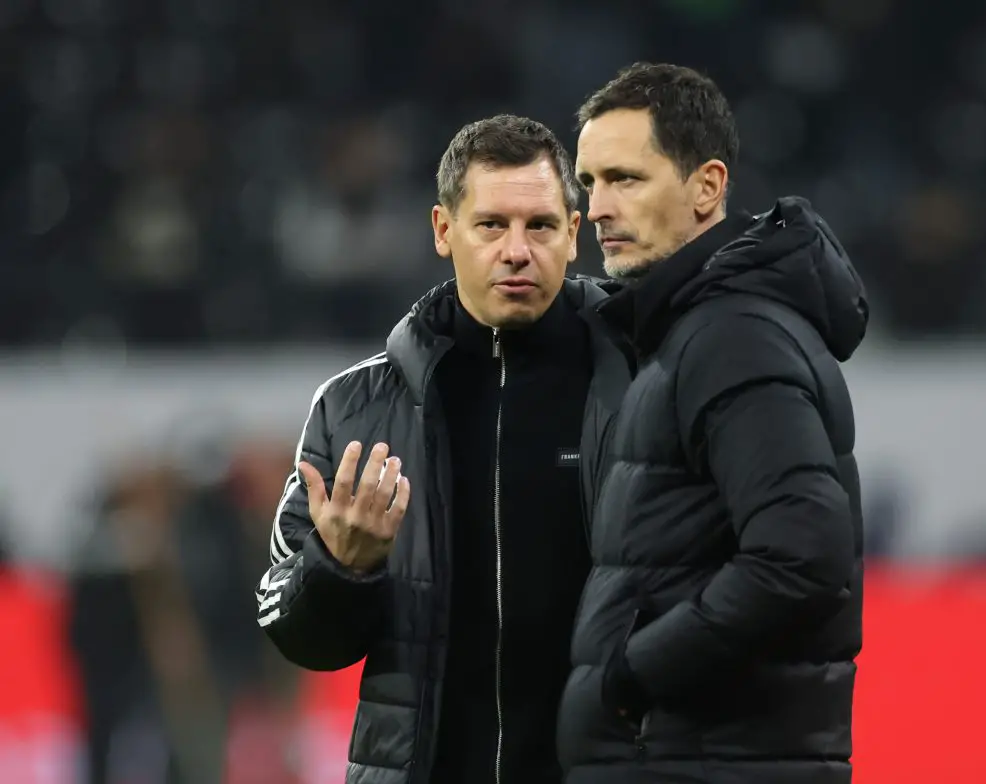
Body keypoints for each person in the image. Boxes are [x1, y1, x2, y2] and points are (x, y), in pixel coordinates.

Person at [254, 114, 631, 784]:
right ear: (443, 229)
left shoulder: (641, 387)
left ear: (575, 234)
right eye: (491, 225)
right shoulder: (354, 408)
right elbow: (299, 636)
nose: (517, 250)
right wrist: (340, 568)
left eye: (541, 226)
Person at [558, 63, 869, 784]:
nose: (596, 208)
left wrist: (635, 673)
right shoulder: (694, 330)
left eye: (625, 179)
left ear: (707, 187)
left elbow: (801, 556)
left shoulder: (731, 338)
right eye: (589, 183)